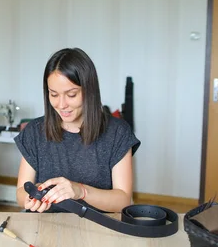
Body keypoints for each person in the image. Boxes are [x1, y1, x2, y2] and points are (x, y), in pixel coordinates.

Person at [14, 47, 140, 213]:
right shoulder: (34, 132)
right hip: (45, 227)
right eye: (54, 94)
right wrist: (31, 198)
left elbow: (122, 201)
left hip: (99, 229)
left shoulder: (117, 133)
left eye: (71, 95)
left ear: (89, 90)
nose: (61, 104)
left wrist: (80, 191)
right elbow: (20, 193)